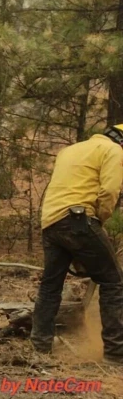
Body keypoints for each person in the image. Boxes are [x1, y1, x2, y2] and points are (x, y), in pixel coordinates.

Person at [30, 125, 123, 366]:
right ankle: (115, 354)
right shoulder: (113, 150)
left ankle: (40, 347)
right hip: (79, 220)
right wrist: (99, 221)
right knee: (113, 281)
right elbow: (110, 190)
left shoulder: (70, 150)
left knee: (50, 286)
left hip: (51, 221)